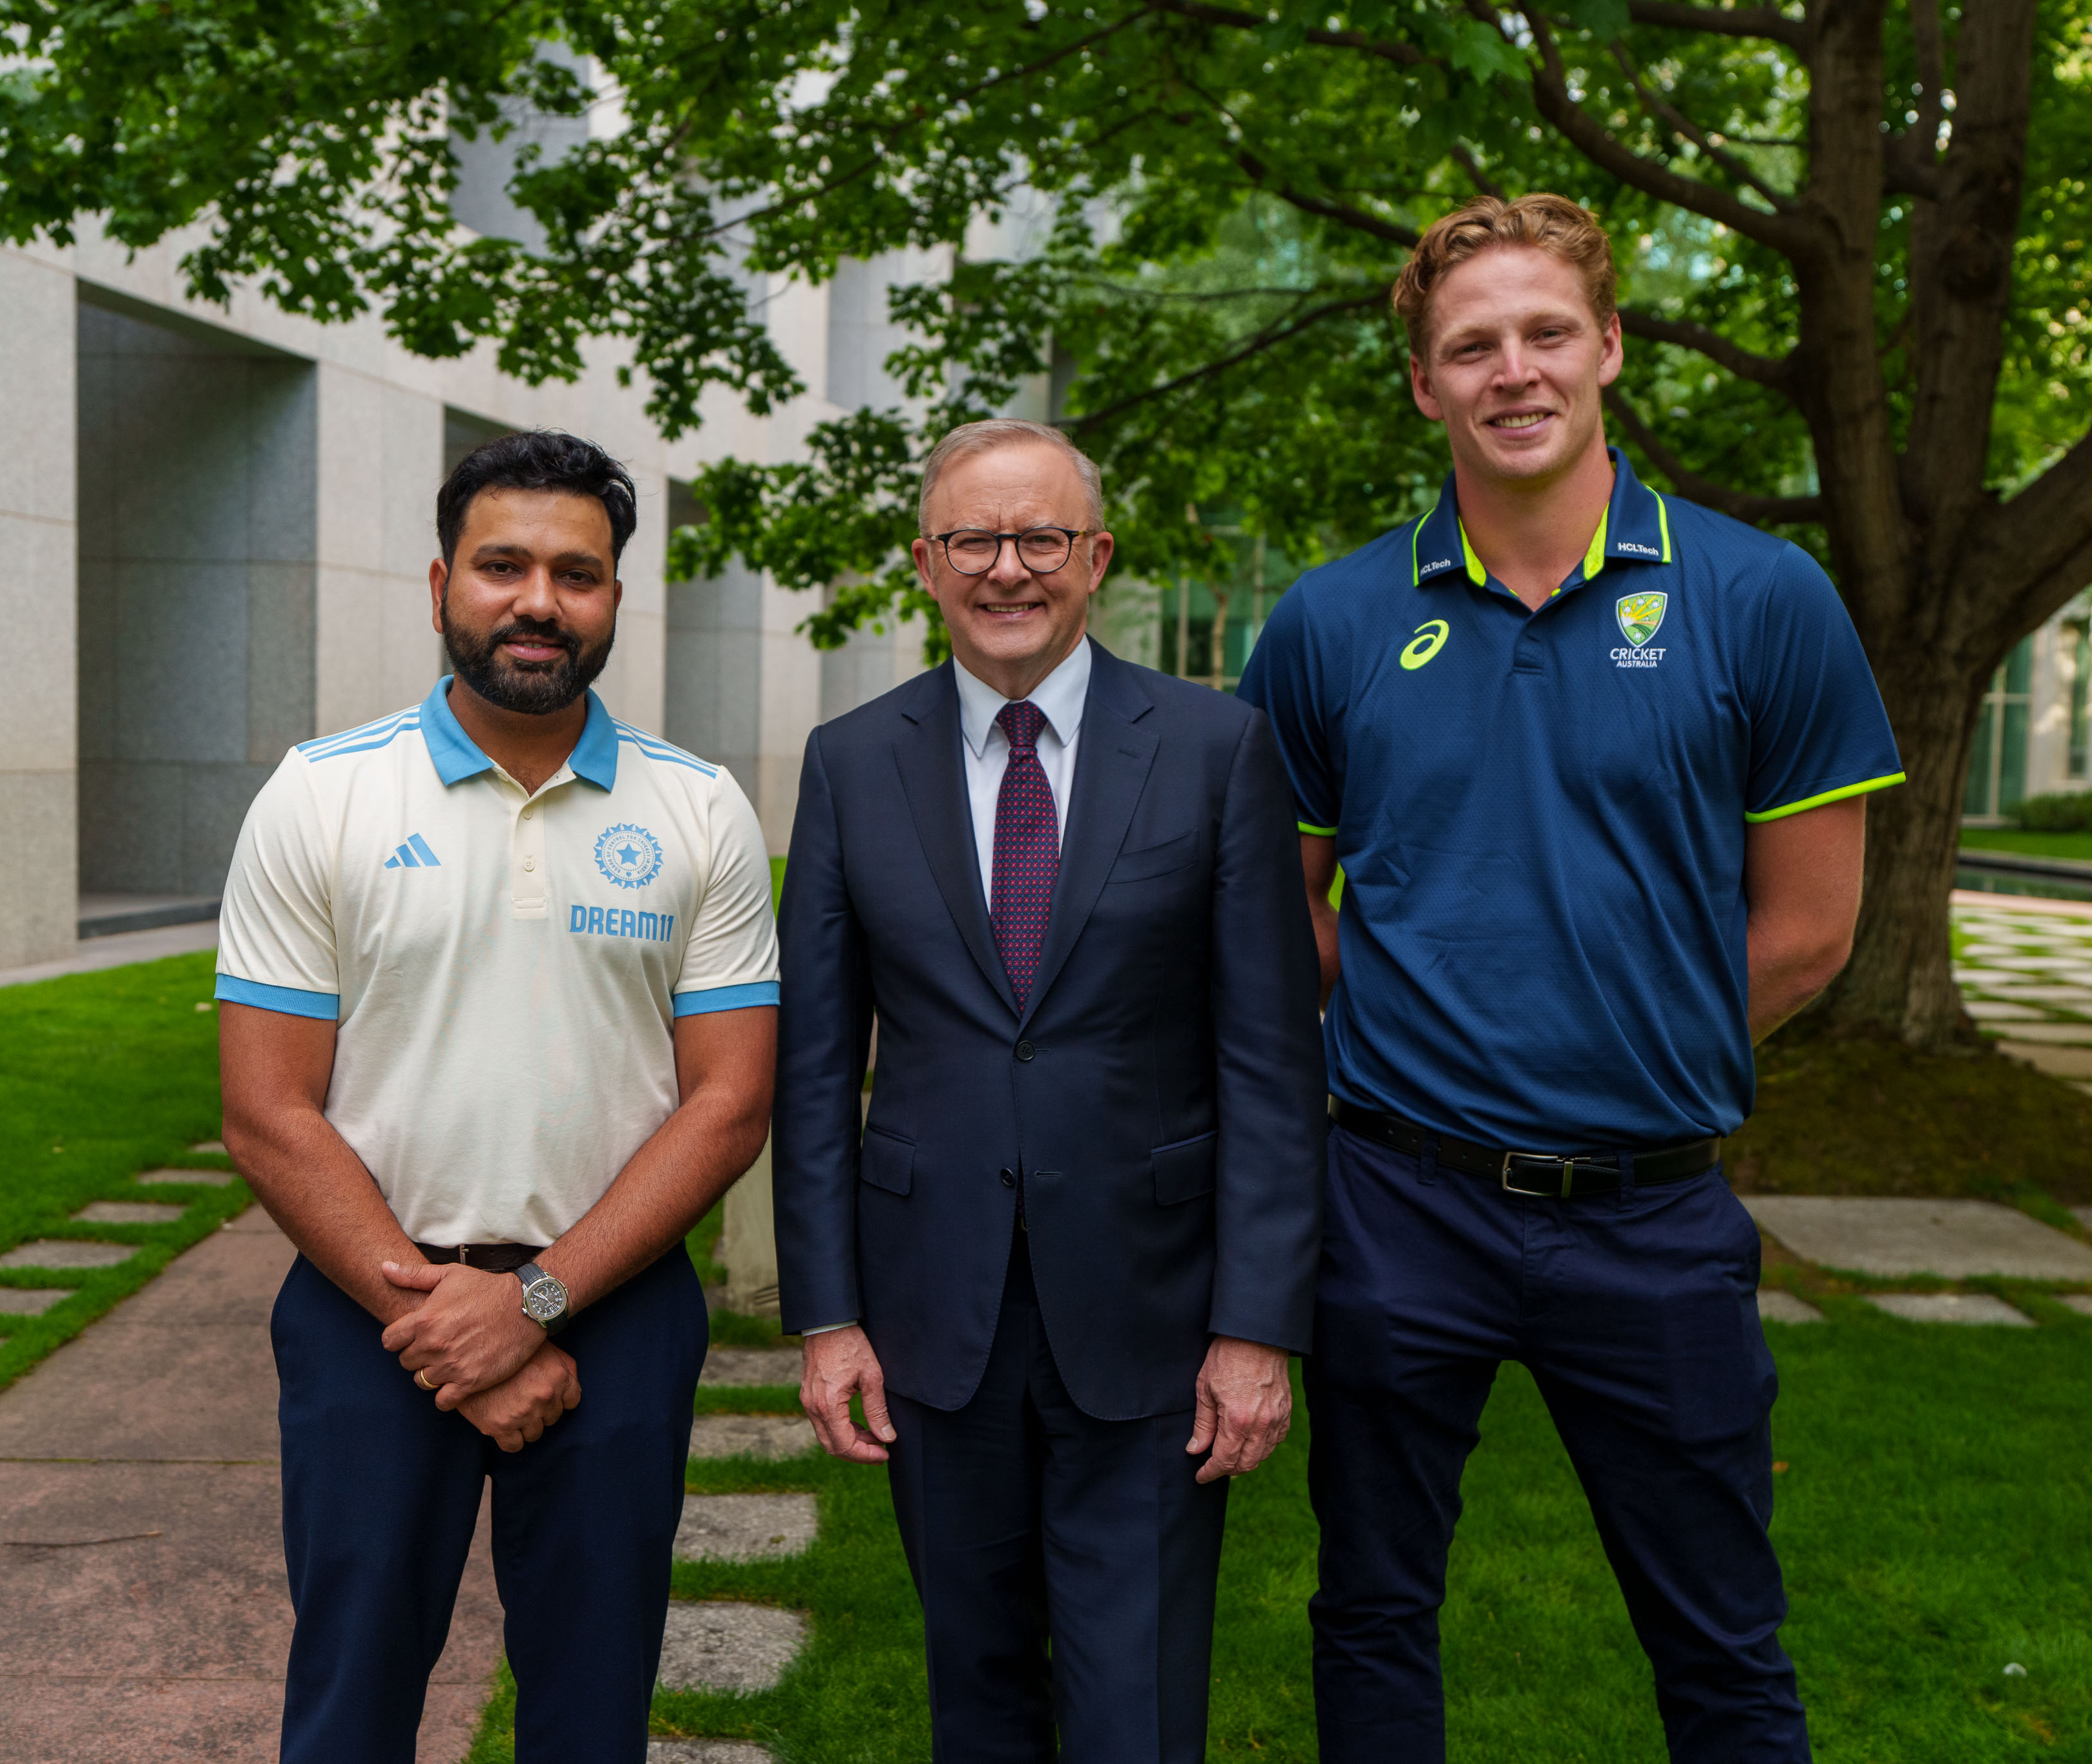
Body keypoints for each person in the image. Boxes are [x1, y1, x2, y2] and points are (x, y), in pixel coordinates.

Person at [1237, 195, 1903, 1763]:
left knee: (1722, 1640)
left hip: (1653, 1212)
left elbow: (1807, 932)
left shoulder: (1760, 599)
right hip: (1398, 1201)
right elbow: (1284, 927)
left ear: (1606, 347)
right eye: (1470, 345)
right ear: (1422, 383)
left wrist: (1619, 1036)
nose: (1511, 371)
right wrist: (1441, 1017)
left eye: (1545, 333)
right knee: (1373, 1610)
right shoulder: (1331, 619)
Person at [213, 431, 780, 1763]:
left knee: (592, 1711)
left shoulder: (698, 810)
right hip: (372, 1312)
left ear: (615, 601)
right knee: (349, 1701)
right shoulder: (323, 797)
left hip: (616, 1314)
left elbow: (728, 1104)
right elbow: (266, 1112)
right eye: (504, 565)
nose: (539, 601)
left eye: (576, 574)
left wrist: (532, 1304)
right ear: (438, 584)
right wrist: (439, 1319)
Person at [773, 417, 1325, 1761]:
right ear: (923, 560)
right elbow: (813, 1065)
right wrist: (828, 1316)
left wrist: (1256, 1326)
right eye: (972, 537)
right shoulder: (850, 762)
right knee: (975, 1695)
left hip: (1152, 1313)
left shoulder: (1214, 750)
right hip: (929, 1319)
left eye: (1038, 538)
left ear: (1095, 558)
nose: (1004, 568)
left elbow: (1268, 1058)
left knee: (1133, 1708)